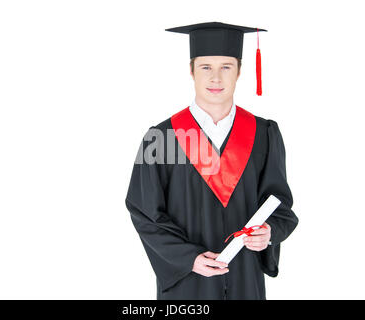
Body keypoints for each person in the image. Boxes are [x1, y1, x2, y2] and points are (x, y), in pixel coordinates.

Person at [125, 22, 298, 300]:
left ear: (240, 71)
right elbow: (144, 212)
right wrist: (188, 258)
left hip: (245, 279)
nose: (216, 78)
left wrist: (269, 232)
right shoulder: (160, 138)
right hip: (188, 284)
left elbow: (279, 206)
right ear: (191, 71)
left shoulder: (264, 133)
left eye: (226, 67)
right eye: (206, 67)